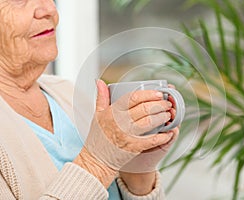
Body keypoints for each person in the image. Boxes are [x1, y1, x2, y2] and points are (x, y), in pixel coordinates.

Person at [0, 0, 180, 199]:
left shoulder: (66, 93)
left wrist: (137, 170)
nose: (50, 9)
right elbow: (101, 162)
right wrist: (98, 162)